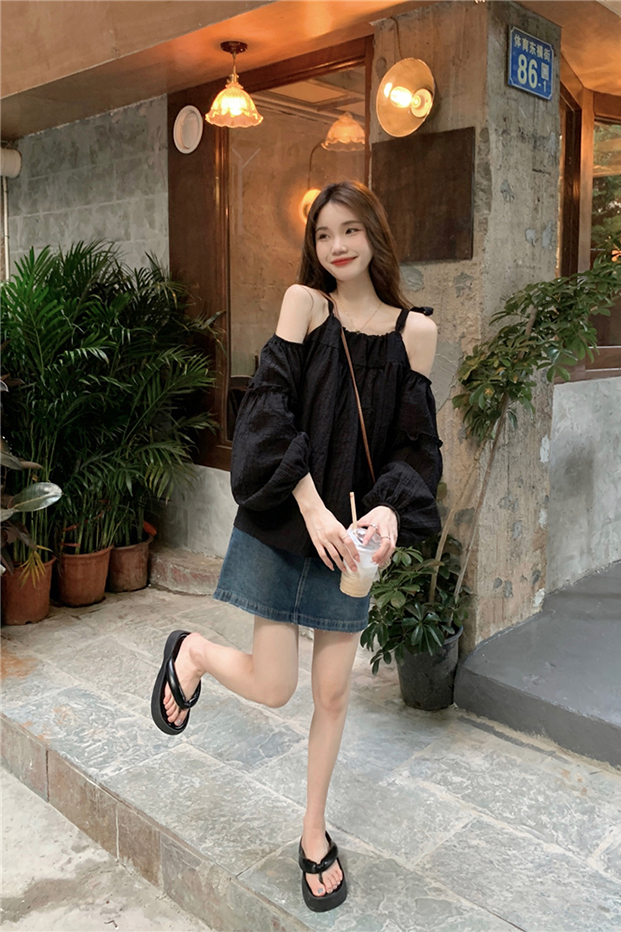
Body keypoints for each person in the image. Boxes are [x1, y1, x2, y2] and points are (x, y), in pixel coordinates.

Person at [150, 180, 443, 912]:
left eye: (350, 229)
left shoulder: (416, 333)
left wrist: (390, 512)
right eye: (323, 234)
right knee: (276, 686)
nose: (337, 245)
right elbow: (265, 413)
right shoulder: (304, 306)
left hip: (351, 544)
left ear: (375, 234)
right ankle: (193, 653)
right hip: (287, 520)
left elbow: (416, 446)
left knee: (333, 693)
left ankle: (313, 834)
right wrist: (310, 505)